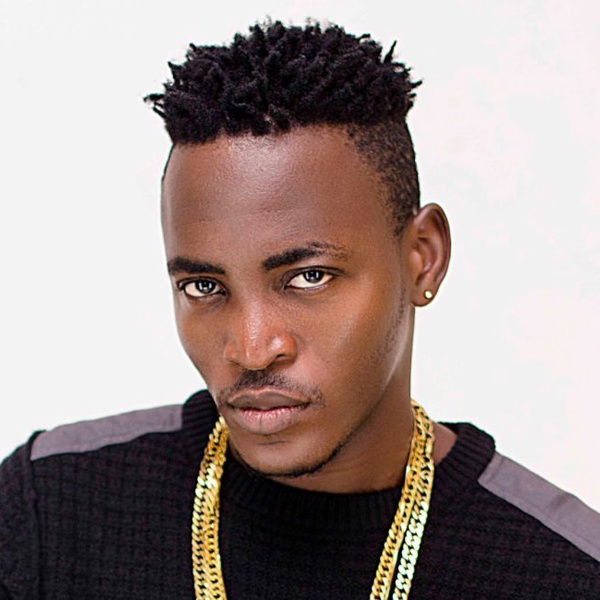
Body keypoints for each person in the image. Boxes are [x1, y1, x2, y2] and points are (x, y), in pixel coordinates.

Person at [1, 19, 599, 600]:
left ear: (423, 257)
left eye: (308, 277)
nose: (252, 349)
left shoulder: (562, 572)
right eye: (205, 287)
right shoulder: (50, 509)